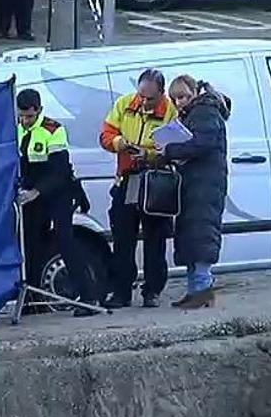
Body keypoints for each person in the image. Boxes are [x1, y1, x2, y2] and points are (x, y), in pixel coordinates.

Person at [16, 89, 98, 317]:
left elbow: (59, 170)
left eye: (30, 116)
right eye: (22, 116)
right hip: (32, 193)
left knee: (65, 241)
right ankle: (31, 301)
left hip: (57, 191)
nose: (25, 120)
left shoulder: (53, 130)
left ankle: (88, 294)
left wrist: (36, 191)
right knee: (30, 244)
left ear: (39, 110)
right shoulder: (17, 128)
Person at [99, 69, 177, 308]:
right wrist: (118, 143)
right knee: (123, 239)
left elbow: (176, 147)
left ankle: (152, 291)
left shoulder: (171, 112)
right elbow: (105, 134)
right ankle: (121, 291)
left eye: (150, 99)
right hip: (127, 179)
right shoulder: (124, 104)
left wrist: (150, 154)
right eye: (141, 96)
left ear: (162, 94)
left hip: (155, 180)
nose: (143, 103)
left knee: (155, 239)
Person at [162, 75, 231, 309]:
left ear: (194, 93)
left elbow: (201, 144)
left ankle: (202, 289)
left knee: (201, 234)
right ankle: (196, 290)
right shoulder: (197, 113)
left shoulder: (205, 112)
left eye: (182, 97)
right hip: (197, 182)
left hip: (204, 184)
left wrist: (171, 150)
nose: (178, 102)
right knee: (192, 235)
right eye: (174, 99)